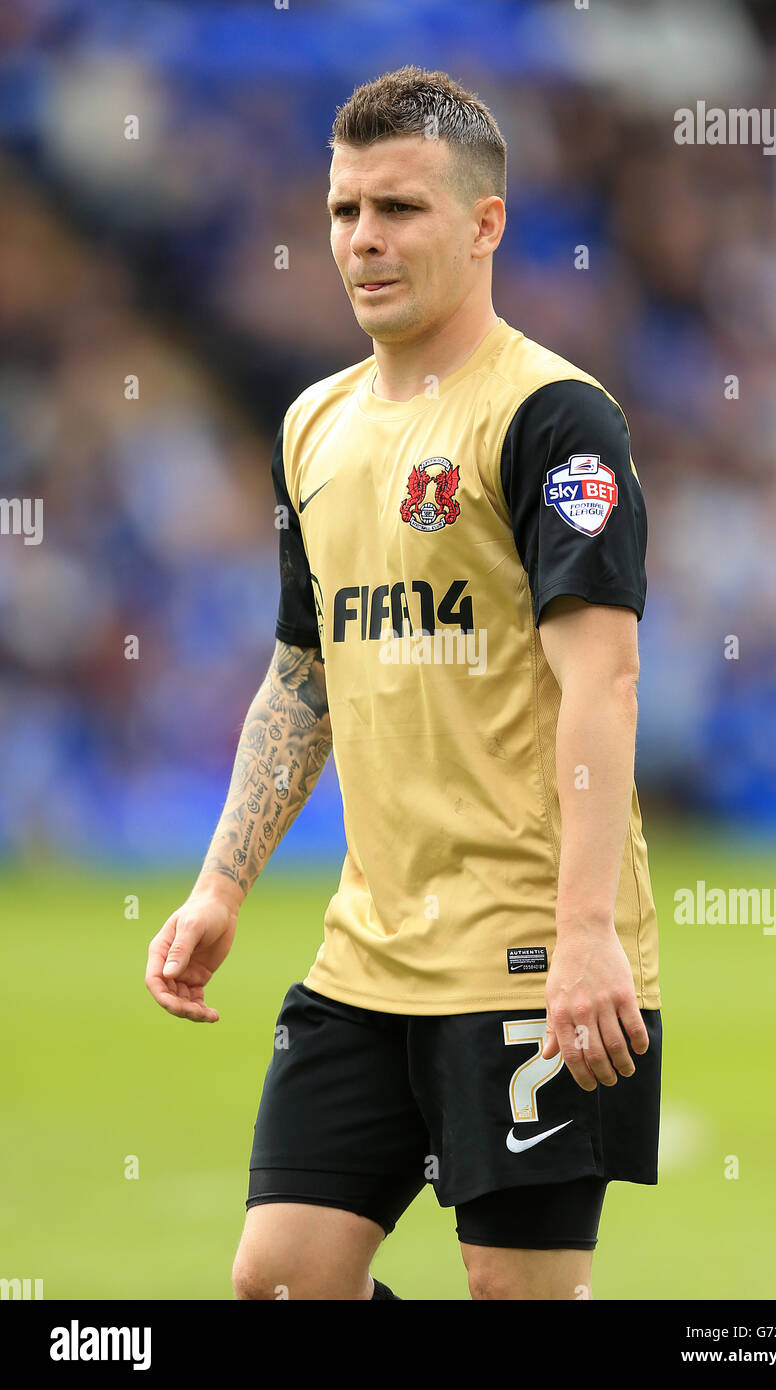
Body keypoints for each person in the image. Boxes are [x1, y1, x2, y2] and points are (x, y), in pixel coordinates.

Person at [145, 65, 661, 1302]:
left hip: (529, 960)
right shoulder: (311, 427)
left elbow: (602, 680)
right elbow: (302, 669)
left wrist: (586, 935)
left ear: (484, 223)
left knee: (516, 1294)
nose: (363, 241)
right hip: (364, 960)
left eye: (399, 210)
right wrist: (223, 884)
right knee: (277, 1282)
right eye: (343, 212)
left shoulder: (552, 418)